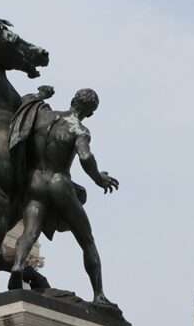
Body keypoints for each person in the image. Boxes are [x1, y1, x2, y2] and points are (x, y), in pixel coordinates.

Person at [7, 86, 119, 305]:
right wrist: (99, 178)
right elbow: (86, 157)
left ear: (73, 100)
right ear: (90, 112)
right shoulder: (79, 129)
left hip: (34, 181)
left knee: (30, 232)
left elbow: (22, 113)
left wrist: (39, 95)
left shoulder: (44, 115)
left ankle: (18, 266)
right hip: (58, 182)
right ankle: (99, 295)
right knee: (87, 240)